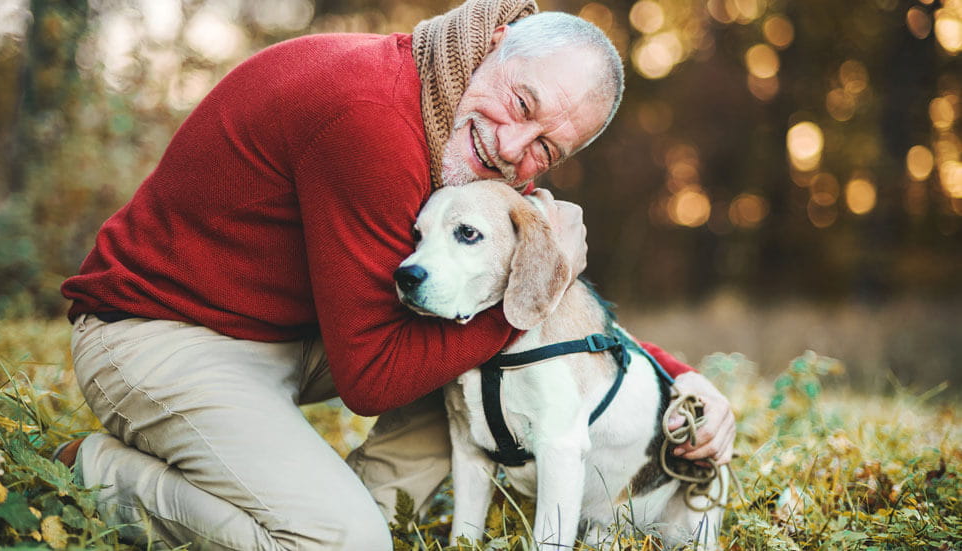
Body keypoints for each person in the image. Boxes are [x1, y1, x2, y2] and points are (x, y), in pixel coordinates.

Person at [57, 1, 735, 549]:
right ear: (499, 41)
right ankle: (97, 472)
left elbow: (549, 307)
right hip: (153, 333)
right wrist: (530, 288)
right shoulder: (375, 120)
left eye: (544, 149)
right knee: (343, 543)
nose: (510, 146)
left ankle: (342, 500)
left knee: (445, 389)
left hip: (283, 331)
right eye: (522, 105)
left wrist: (679, 378)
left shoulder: (463, 136)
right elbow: (374, 378)